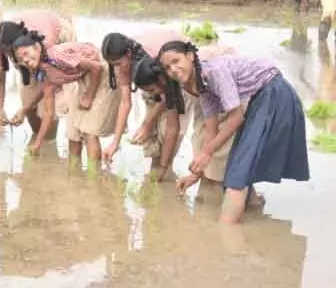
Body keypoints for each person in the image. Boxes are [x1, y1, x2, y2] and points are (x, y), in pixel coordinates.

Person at [157, 41, 310, 224]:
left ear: (190, 56)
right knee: (238, 165)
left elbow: (236, 118)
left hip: (274, 95)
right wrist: (196, 173)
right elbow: (211, 128)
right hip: (261, 99)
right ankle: (252, 208)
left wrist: (206, 153)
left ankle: (227, 232)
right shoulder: (200, 84)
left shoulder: (215, 72)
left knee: (237, 174)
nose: (173, 69)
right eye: (167, 67)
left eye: (176, 61)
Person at [132, 43, 241, 189]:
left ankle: (219, 186)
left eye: (152, 89)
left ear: (161, 79)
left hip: (230, 95)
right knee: (201, 142)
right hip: (212, 99)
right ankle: (209, 180)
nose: (154, 94)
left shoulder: (188, 78)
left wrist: (206, 153)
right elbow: (172, 129)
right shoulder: (172, 84)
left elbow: (220, 121)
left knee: (216, 149)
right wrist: (164, 168)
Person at [11, 34, 118, 164]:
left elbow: (96, 67)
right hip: (84, 76)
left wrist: (89, 96)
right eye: (21, 59)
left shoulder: (57, 56)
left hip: (102, 71)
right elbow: (48, 113)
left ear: (37, 47)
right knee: (74, 131)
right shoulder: (44, 73)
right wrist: (37, 144)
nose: (25, 60)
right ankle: (77, 177)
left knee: (89, 131)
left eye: (26, 53)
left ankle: (94, 178)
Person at [99, 29, 185, 177]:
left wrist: (147, 124)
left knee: (167, 132)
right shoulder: (121, 65)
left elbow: (166, 94)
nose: (118, 67)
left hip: (171, 80)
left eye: (119, 63)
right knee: (151, 138)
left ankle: (164, 168)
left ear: (128, 54)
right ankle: (156, 170)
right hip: (151, 83)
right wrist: (115, 142)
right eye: (114, 65)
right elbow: (125, 103)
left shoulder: (156, 60)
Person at [0, 10, 77, 135]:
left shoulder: (45, 42)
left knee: (49, 104)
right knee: (28, 99)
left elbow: (49, 82)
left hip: (59, 35)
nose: (8, 55)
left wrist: (24, 110)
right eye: (6, 52)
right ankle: (38, 136)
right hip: (30, 44)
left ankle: (48, 140)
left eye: (10, 51)